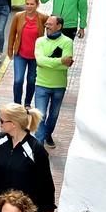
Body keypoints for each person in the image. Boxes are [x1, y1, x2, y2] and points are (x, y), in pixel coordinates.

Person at [34, 16, 74, 148]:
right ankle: (39, 145)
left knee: (54, 115)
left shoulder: (67, 42)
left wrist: (49, 62)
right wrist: (59, 61)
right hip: (41, 84)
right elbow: (39, 61)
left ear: (59, 26)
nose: (47, 26)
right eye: (46, 24)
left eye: (50, 24)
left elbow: (65, 65)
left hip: (59, 85)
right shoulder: (40, 41)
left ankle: (47, 134)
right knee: (40, 114)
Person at [7, 0, 49, 107]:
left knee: (31, 81)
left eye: (32, 4)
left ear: (37, 5)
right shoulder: (18, 16)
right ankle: (16, 104)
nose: (29, 6)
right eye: (27, 4)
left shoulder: (43, 17)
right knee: (18, 80)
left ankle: (27, 103)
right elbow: (12, 34)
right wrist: (10, 50)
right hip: (20, 54)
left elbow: (51, 30)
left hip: (35, 57)